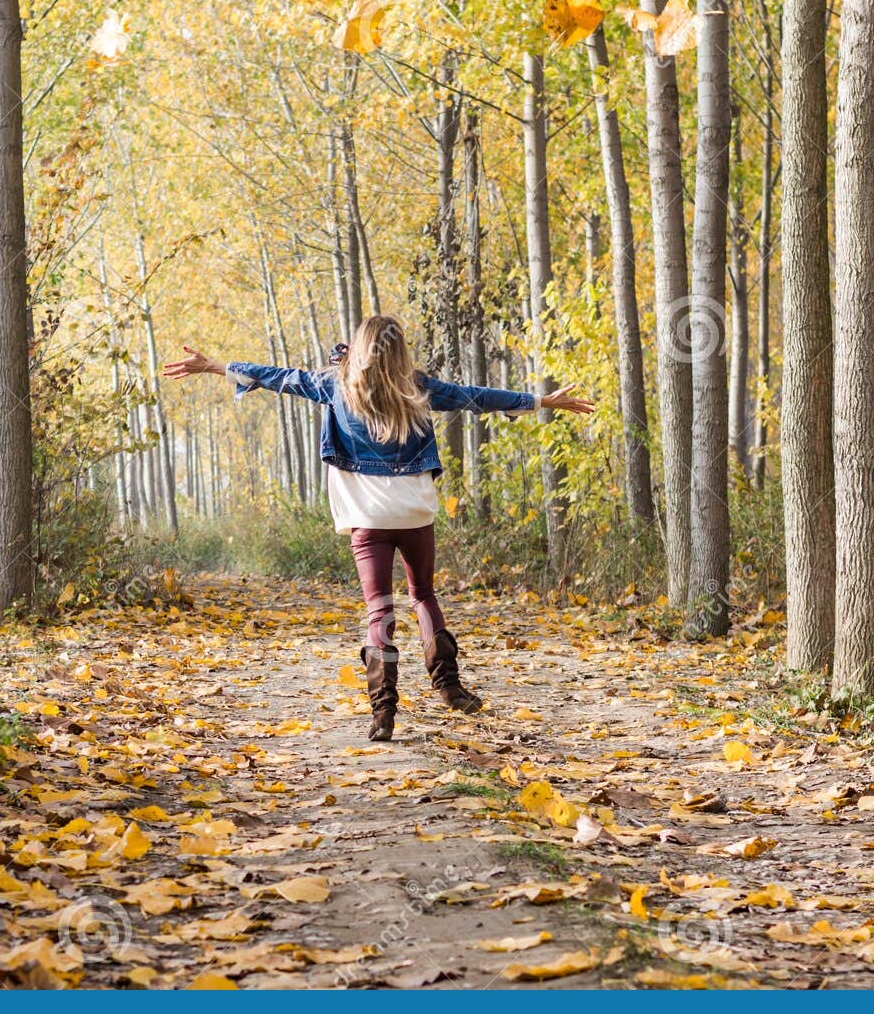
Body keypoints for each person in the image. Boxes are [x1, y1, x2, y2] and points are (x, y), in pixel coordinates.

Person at [164, 314, 594, 741]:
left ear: (359, 348)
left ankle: (383, 713)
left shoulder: (334, 385)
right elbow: (474, 396)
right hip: (414, 514)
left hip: (366, 520)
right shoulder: (419, 388)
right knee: (422, 595)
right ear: (399, 350)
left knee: (379, 608)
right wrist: (540, 401)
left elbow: (279, 377)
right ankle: (449, 688)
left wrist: (217, 366)